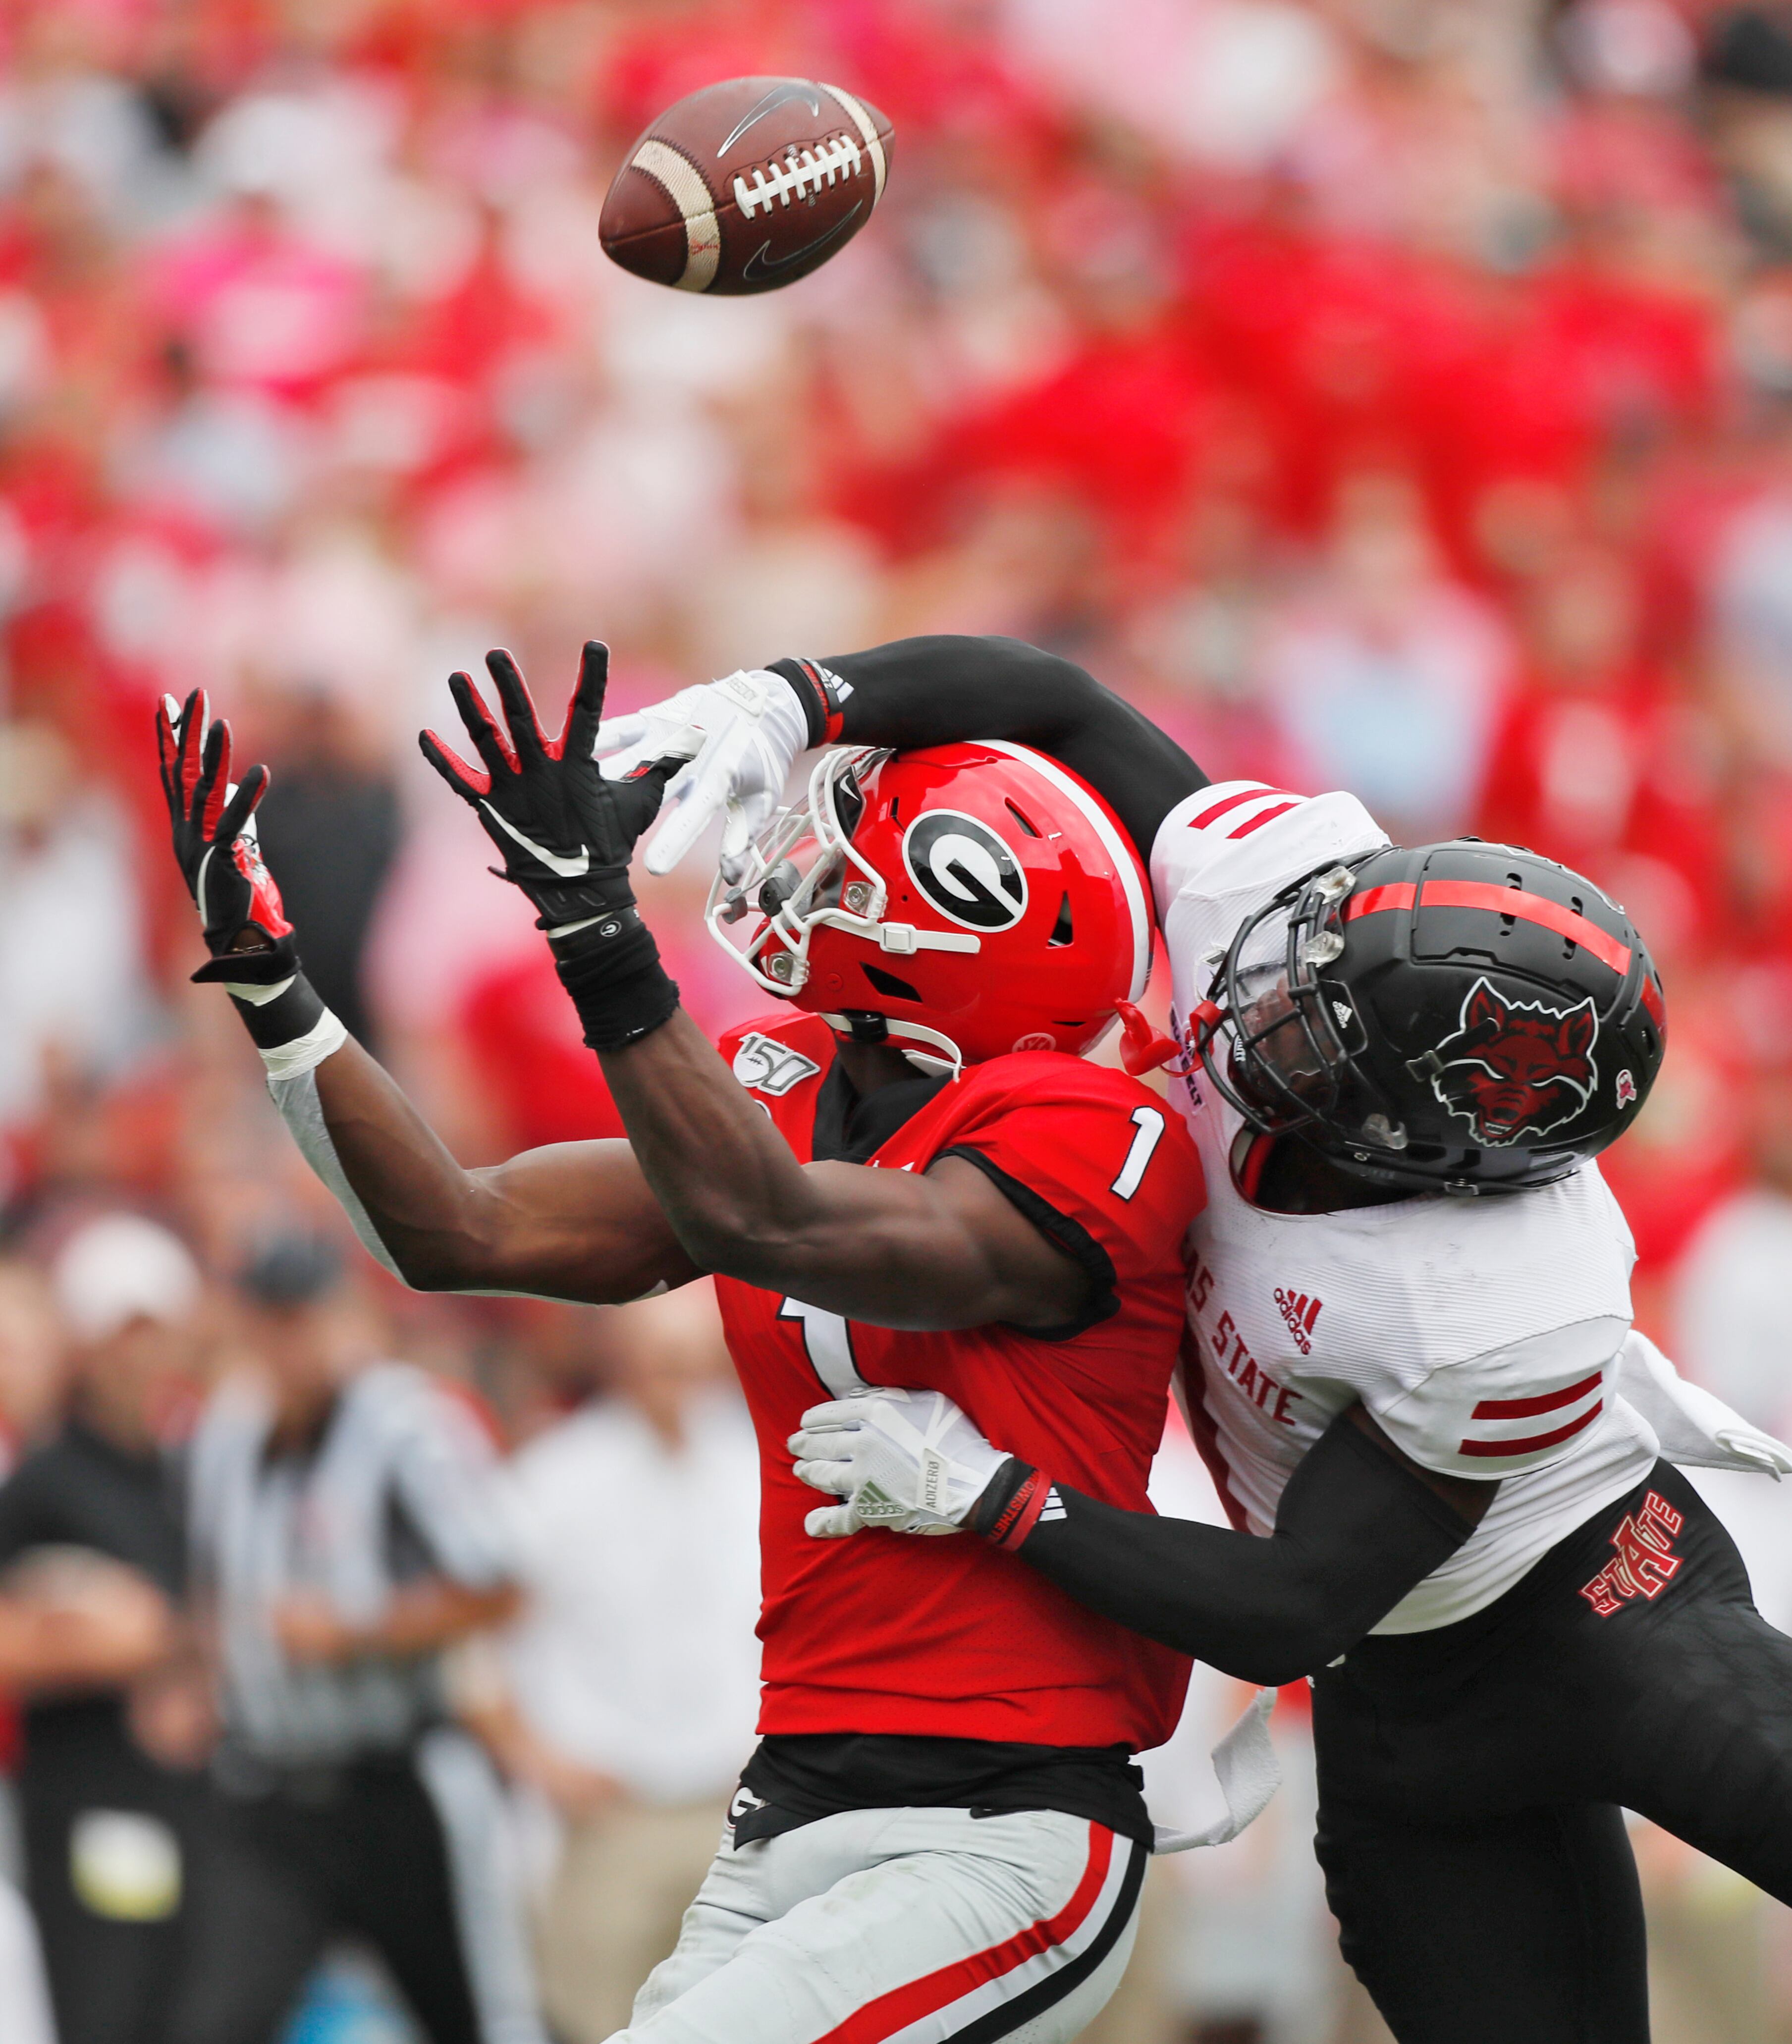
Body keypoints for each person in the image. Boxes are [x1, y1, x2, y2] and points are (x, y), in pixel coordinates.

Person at [607, 634, 1792, 2044]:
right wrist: (796, 698)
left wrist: (1004, 1500)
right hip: (1403, 1697)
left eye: (1311, 1042)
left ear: (1435, 1156)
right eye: (1300, 973)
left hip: (1598, 1607)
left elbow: (1296, 1604)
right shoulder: (1266, 896)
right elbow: (1059, 698)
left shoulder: (1504, 1297)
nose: (1243, 1016)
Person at [153, 652, 1206, 2044]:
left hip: (1003, 1817)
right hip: (796, 1793)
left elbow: (772, 1223)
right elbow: (464, 1230)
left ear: (974, 923)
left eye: (854, 861)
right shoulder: (797, 1082)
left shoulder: (1092, 1132)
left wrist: (597, 927)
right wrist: (276, 986)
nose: (804, 873)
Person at [174, 1230, 539, 2044]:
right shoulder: (225, 1434)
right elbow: (210, 1583)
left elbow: (504, 1589)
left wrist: (357, 1630)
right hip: (269, 1788)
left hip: (396, 1783)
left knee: (474, 2020)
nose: (290, 1341)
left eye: (305, 1316)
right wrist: (200, 1678)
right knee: (217, 2022)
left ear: (348, 1315)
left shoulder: (410, 1429)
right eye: (273, 1319)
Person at [489, 1285, 760, 2044]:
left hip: (735, 1808)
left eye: (690, 1363)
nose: (675, 1382)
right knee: (598, 2019)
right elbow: (475, 1642)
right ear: (620, 1361)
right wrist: (537, 1758)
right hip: (612, 1808)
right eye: (658, 1362)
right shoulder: (552, 1480)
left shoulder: (756, 1469)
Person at [0, 1215, 216, 2044]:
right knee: (108, 2009)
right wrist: (163, 1639)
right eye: (124, 1334)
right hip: (89, 1800)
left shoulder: (190, 1468)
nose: (144, 1357)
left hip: (186, 1802)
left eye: (158, 1333)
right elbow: (78, 1638)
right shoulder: (45, 1483)